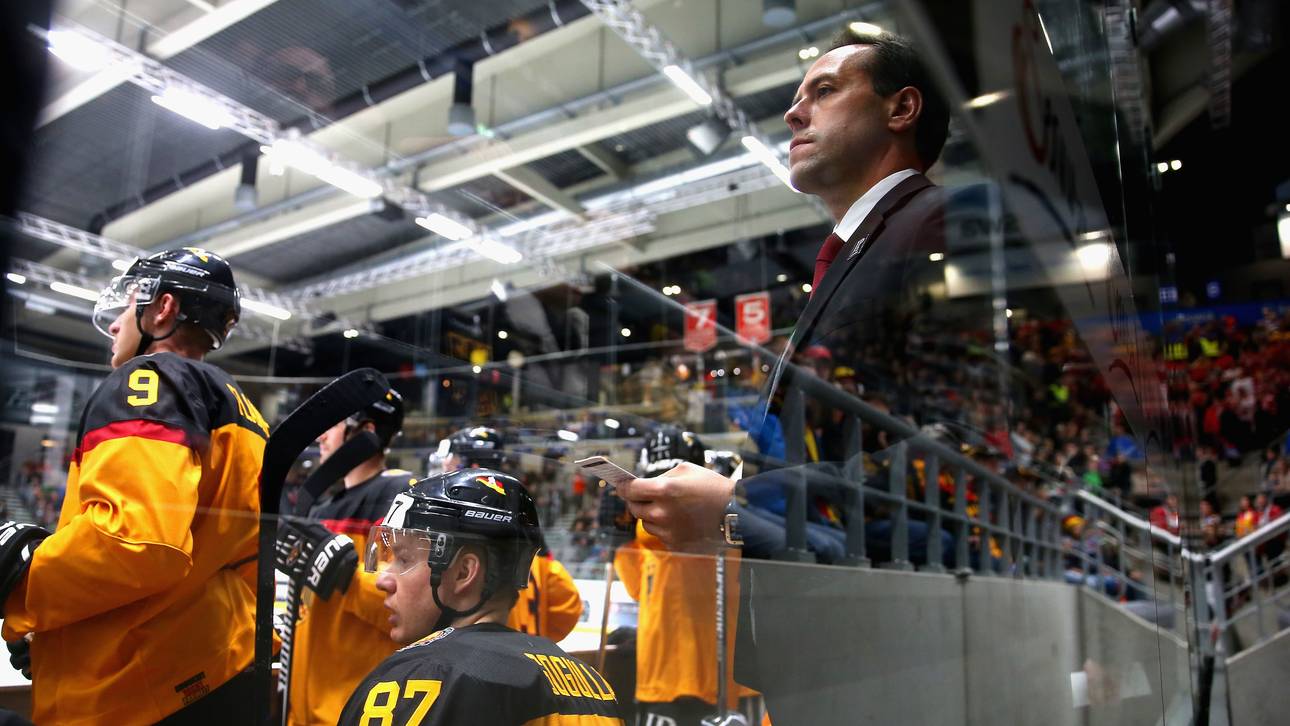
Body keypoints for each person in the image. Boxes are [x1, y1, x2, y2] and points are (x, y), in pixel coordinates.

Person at [610, 27, 952, 720]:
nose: (794, 113)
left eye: (823, 91)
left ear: (901, 108)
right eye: (798, 97)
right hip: (836, 639)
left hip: (894, 646)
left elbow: (940, 449)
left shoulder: (929, 227)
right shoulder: (862, 251)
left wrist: (734, 503)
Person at [0, 249, 266, 723]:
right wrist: (63, 633)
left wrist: (22, 584)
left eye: (127, 307)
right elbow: (241, 563)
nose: (117, 324)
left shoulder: (148, 379)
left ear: (162, 308)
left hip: (135, 691)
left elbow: (136, 542)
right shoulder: (242, 409)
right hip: (211, 666)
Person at [338, 468, 625, 725]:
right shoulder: (593, 686)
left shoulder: (419, 677)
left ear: (464, 572)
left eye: (403, 559)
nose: (383, 580)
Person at [282, 388, 419, 725]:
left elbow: (414, 603)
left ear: (365, 430)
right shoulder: (324, 506)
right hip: (307, 706)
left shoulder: (401, 498)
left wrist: (345, 573)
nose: (323, 435)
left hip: (353, 707)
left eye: (335, 424)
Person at [610, 426, 754, 725]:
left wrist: (624, 536)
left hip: (682, 680)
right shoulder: (727, 523)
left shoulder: (658, 533)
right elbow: (639, 590)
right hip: (690, 680)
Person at [434, 426, 583, 642]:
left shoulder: (451, 524)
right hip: (524, 657)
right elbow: (568, 606)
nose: (446, 465)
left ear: (471, 465)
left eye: (452, 458)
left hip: (472, 659)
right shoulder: (523, 519)